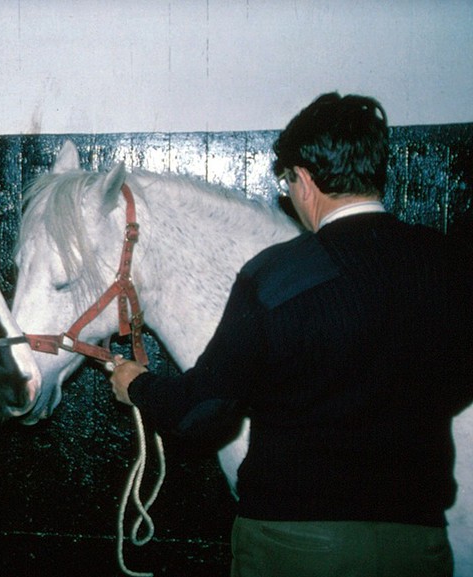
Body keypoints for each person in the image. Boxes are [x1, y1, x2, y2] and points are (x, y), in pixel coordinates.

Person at [109, 92, 473, 577]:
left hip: (295, 544)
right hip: (419, 544)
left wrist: (135, 383)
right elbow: (459, 385)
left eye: (287, 180)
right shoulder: (450, 264)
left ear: (303, 179)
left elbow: (201, 413)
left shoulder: (275, 276)